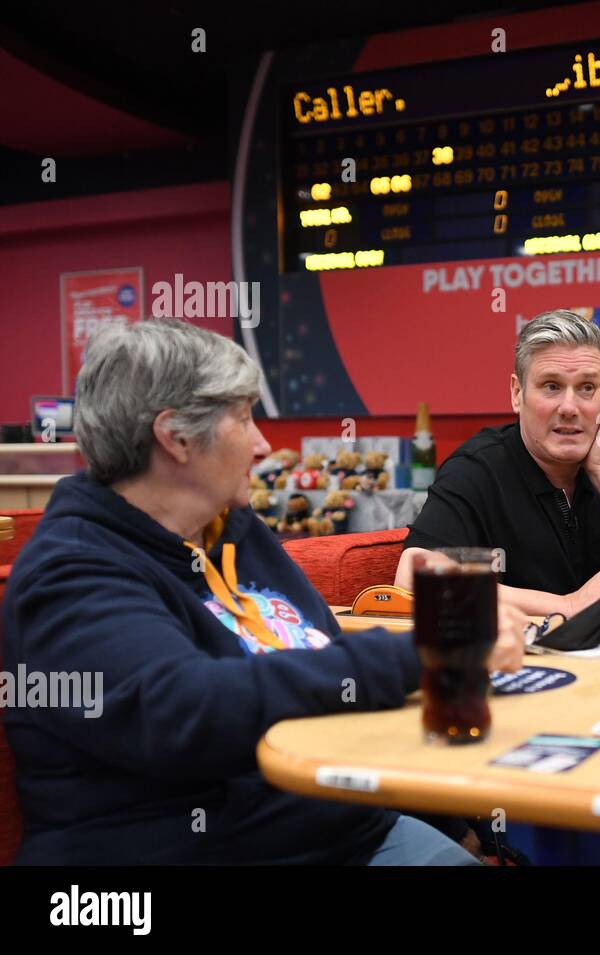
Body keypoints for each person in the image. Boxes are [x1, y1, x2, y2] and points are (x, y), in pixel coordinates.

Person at [2, 318, 525, 865]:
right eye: (245, 416)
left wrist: (438, 817)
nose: (262, 444)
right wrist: (429, 649)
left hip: (346, 829)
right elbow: (188, 708)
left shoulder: (232, 527)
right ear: (175, 436)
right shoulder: (72, 572)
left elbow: (322, 664)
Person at [399, 309, 600, 616]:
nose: (569, 407)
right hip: (513, 659)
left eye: (587, 388)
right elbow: (414, 578)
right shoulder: (478, 469)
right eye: (551, 386)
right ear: (517, 393)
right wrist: (567, 605)